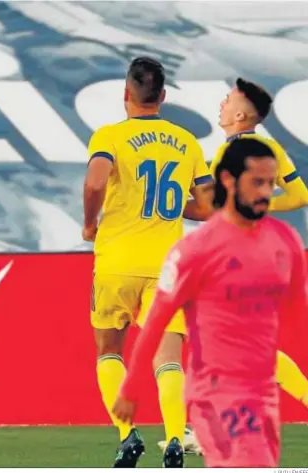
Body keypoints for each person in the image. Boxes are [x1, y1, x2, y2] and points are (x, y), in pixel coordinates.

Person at [114, 138, 308, 468]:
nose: (265, 194)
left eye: (268, 184)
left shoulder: (278, 243)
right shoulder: (201, 249)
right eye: (258, 184)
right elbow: (158, 317)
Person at [82, 56, 213, 467]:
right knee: (169, 359)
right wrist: (174, 210)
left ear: (126, 94)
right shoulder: (187, 142)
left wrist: (90, 223)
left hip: (117, 260)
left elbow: (95, 181)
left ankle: (127, 435)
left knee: (108, 352)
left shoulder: (109, 136)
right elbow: (210, 207)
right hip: (168, 268)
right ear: (164, 97)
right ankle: (175, 440)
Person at [211, 77, 308, 412]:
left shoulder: (230, 153)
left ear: (241, 116)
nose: (222, 103)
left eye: (228, 99)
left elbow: (215, 205)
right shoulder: (270, 148)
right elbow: (300, 195)